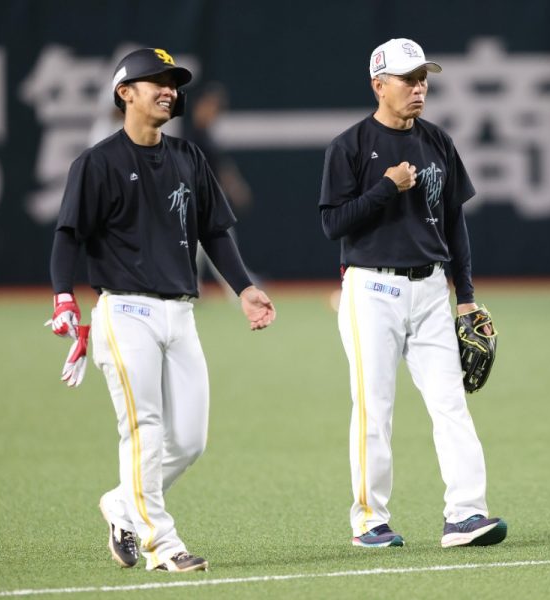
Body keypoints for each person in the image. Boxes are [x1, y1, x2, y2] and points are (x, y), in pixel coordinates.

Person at [47, 48, 276, 572]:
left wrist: (243, 288)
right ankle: (162, 545)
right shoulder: (97, 162)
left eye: (173, 82)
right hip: (124, 312)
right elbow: (68, 235)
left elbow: (215, 230)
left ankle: (122, 504)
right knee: (144, 429)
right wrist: (63, 295)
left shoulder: (187, 157)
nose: (169, 90)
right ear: (125, 93)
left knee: (190, 441)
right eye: (156, 81)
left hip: (180, 314)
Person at [318, 38, 507, 549]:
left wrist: (465, 296)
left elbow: (455, 223)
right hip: (371, 289)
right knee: (374, 408)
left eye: (423, 78)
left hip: (430, 291)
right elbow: (333, 224)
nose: (419, 87)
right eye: (408, 79)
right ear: (379, 85)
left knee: (451, 404)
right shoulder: (350, 146)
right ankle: (369, 521)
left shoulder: (438, 142)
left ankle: (466, 515)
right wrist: (386, 187)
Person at [180, 82, 255, 298]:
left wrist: (233, 186)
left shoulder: (206, 135)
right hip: (195, 202)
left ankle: (196, 287)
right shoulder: (189, 136)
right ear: (200, 105)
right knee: (211, 245)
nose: (214, 112)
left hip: (208, 202)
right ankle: (239, 288)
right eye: (211, 106)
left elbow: (221, 167)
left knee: (204, 248)